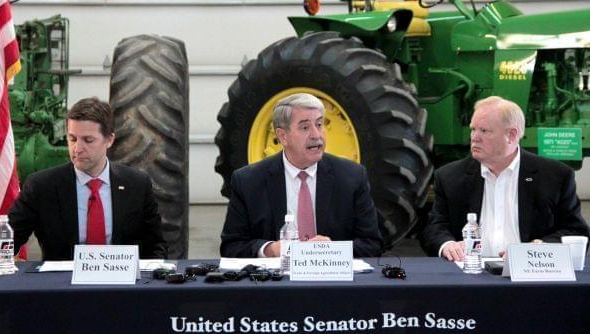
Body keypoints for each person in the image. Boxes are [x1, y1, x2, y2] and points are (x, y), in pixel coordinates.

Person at [0, 97, 167, 263]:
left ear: (109, 140)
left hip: (122, 288)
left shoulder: (137, 185)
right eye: (72, 139)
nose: (77, 149)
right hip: (61, 290)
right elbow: (9, 237)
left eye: (88, 140)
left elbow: (156, 247)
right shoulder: (42, 186)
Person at [422, 96, 589, 261]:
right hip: (469, 274)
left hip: (532, 276)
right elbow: (435, 227)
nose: (474, 137)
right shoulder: (449, 177)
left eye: (484, 131)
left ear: (512, 135)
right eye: (473, 129)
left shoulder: (555, 176)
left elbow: (576, 231)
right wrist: (447, 245)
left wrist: (537, 248)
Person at [220, 93, 382, 258]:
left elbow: (372, 245)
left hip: (332, 280)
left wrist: (333, 250)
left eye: (319, 124)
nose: (316, 135)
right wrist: (270, 249)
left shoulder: (352, 176)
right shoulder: (248, 181)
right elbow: (231, 247)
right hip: (277, 281)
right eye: (305, 127)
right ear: (283, 136)